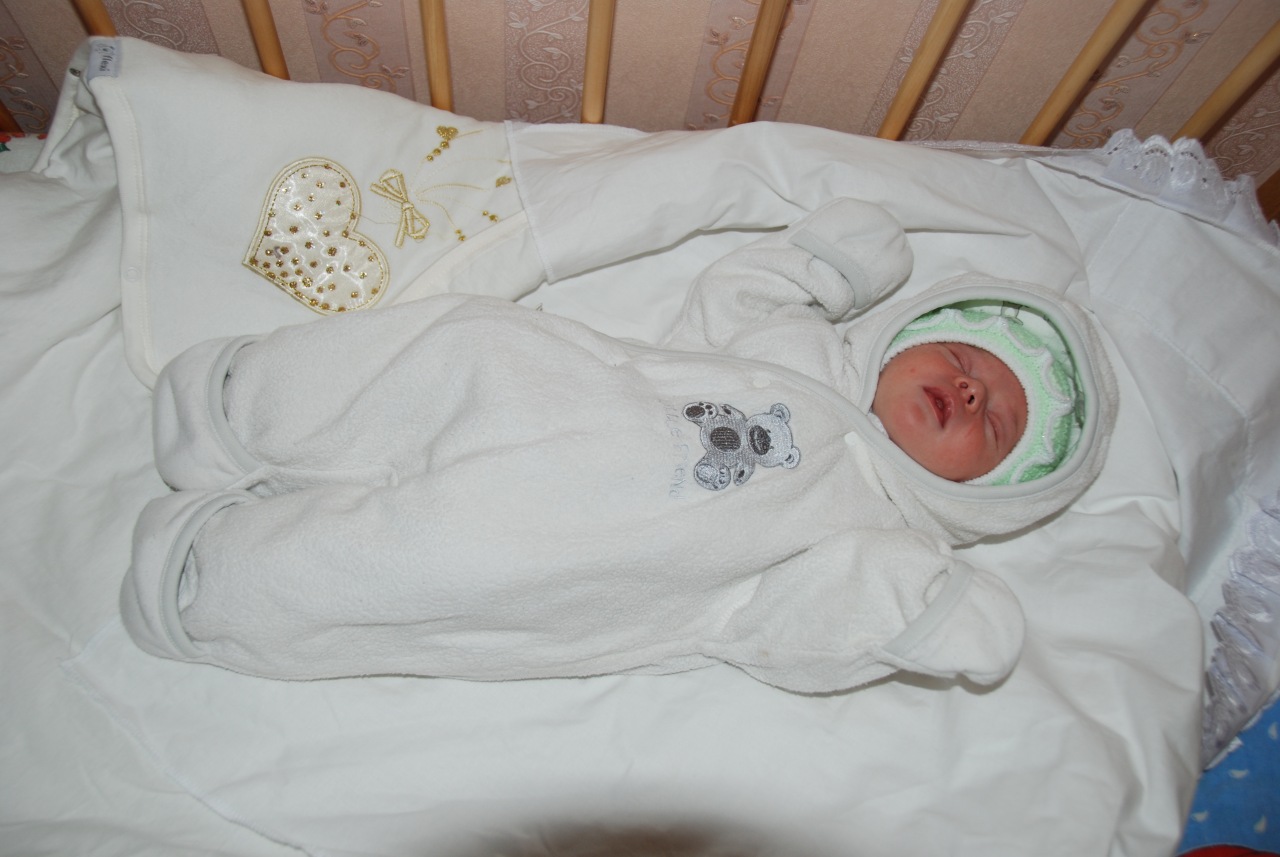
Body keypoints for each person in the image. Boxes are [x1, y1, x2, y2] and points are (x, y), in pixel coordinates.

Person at [121, 199, 1117, 694]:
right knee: (464, 339)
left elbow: (796, 625)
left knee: (436, 563)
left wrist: (922, 608)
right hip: (551, 391)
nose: (970, 389)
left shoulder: (878, 533)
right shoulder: (806, 352)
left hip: (569, 545)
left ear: (990, 494)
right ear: (907, 338)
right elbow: (738, 296)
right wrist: (825, 268)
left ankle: (219, 576)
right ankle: (244, 407)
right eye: (962, 357)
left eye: (995, 421)